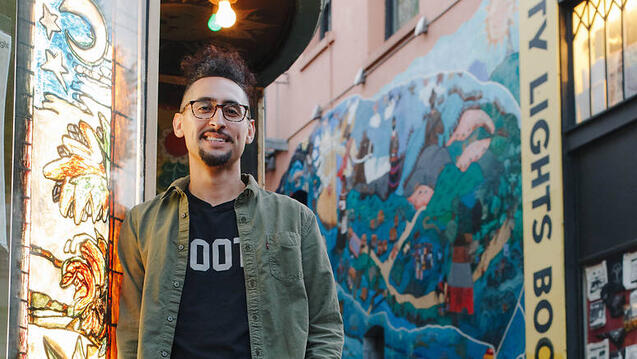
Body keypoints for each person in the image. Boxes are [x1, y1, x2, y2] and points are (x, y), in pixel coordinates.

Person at [116, 44, 343, 359]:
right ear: (180, 123)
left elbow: (325, 327)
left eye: (232, 110)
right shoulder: (143, 224)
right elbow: (130, 336)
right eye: (203, 107)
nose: (217, 121)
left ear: (249, 130)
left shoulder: (296, 221)